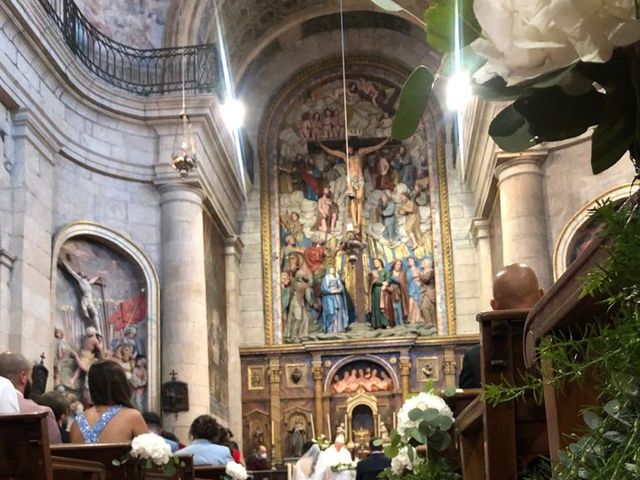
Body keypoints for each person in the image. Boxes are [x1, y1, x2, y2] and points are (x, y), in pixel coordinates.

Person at [459, 263, 545, 389]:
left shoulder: (476, 360)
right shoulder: (563, 342)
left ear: (494, 306)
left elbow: (466, 405)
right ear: (541, 296)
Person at [70, 360, 148, 443]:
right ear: (121, 385)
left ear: (92, 387)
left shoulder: (76, 422)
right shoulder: (132, 416)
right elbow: (148, 453)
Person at [320, 139, 389, 231]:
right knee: (353, 201)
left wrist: (386, 140)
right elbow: (332, 152)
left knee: (359, 200)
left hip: (359, 179)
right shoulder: (345, 157)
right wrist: (321, 145)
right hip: (351, 180)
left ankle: (359, 222)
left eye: (350, 148)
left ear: (352, 147)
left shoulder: (360, 153)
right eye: (347, 149)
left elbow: (374, 147)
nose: (349, 150)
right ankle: (355, 223)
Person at [0, 352, 61, 443]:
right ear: (23, 377)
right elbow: (56, 453)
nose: (32, 381)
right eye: (31, 376)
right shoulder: (43, 413)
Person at [321, 266, 350, 333]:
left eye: (333, 269)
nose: (332, 270)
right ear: (329, 270)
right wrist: (331, 291)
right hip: (329, 298)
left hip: (338, 297)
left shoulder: (337, 278)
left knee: (339, 312)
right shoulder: (326, 278)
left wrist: (338, 290)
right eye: (331, 269)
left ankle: (339, 328)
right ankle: (331, 329)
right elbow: (323, 288)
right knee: (331, 312)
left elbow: (341, 287)